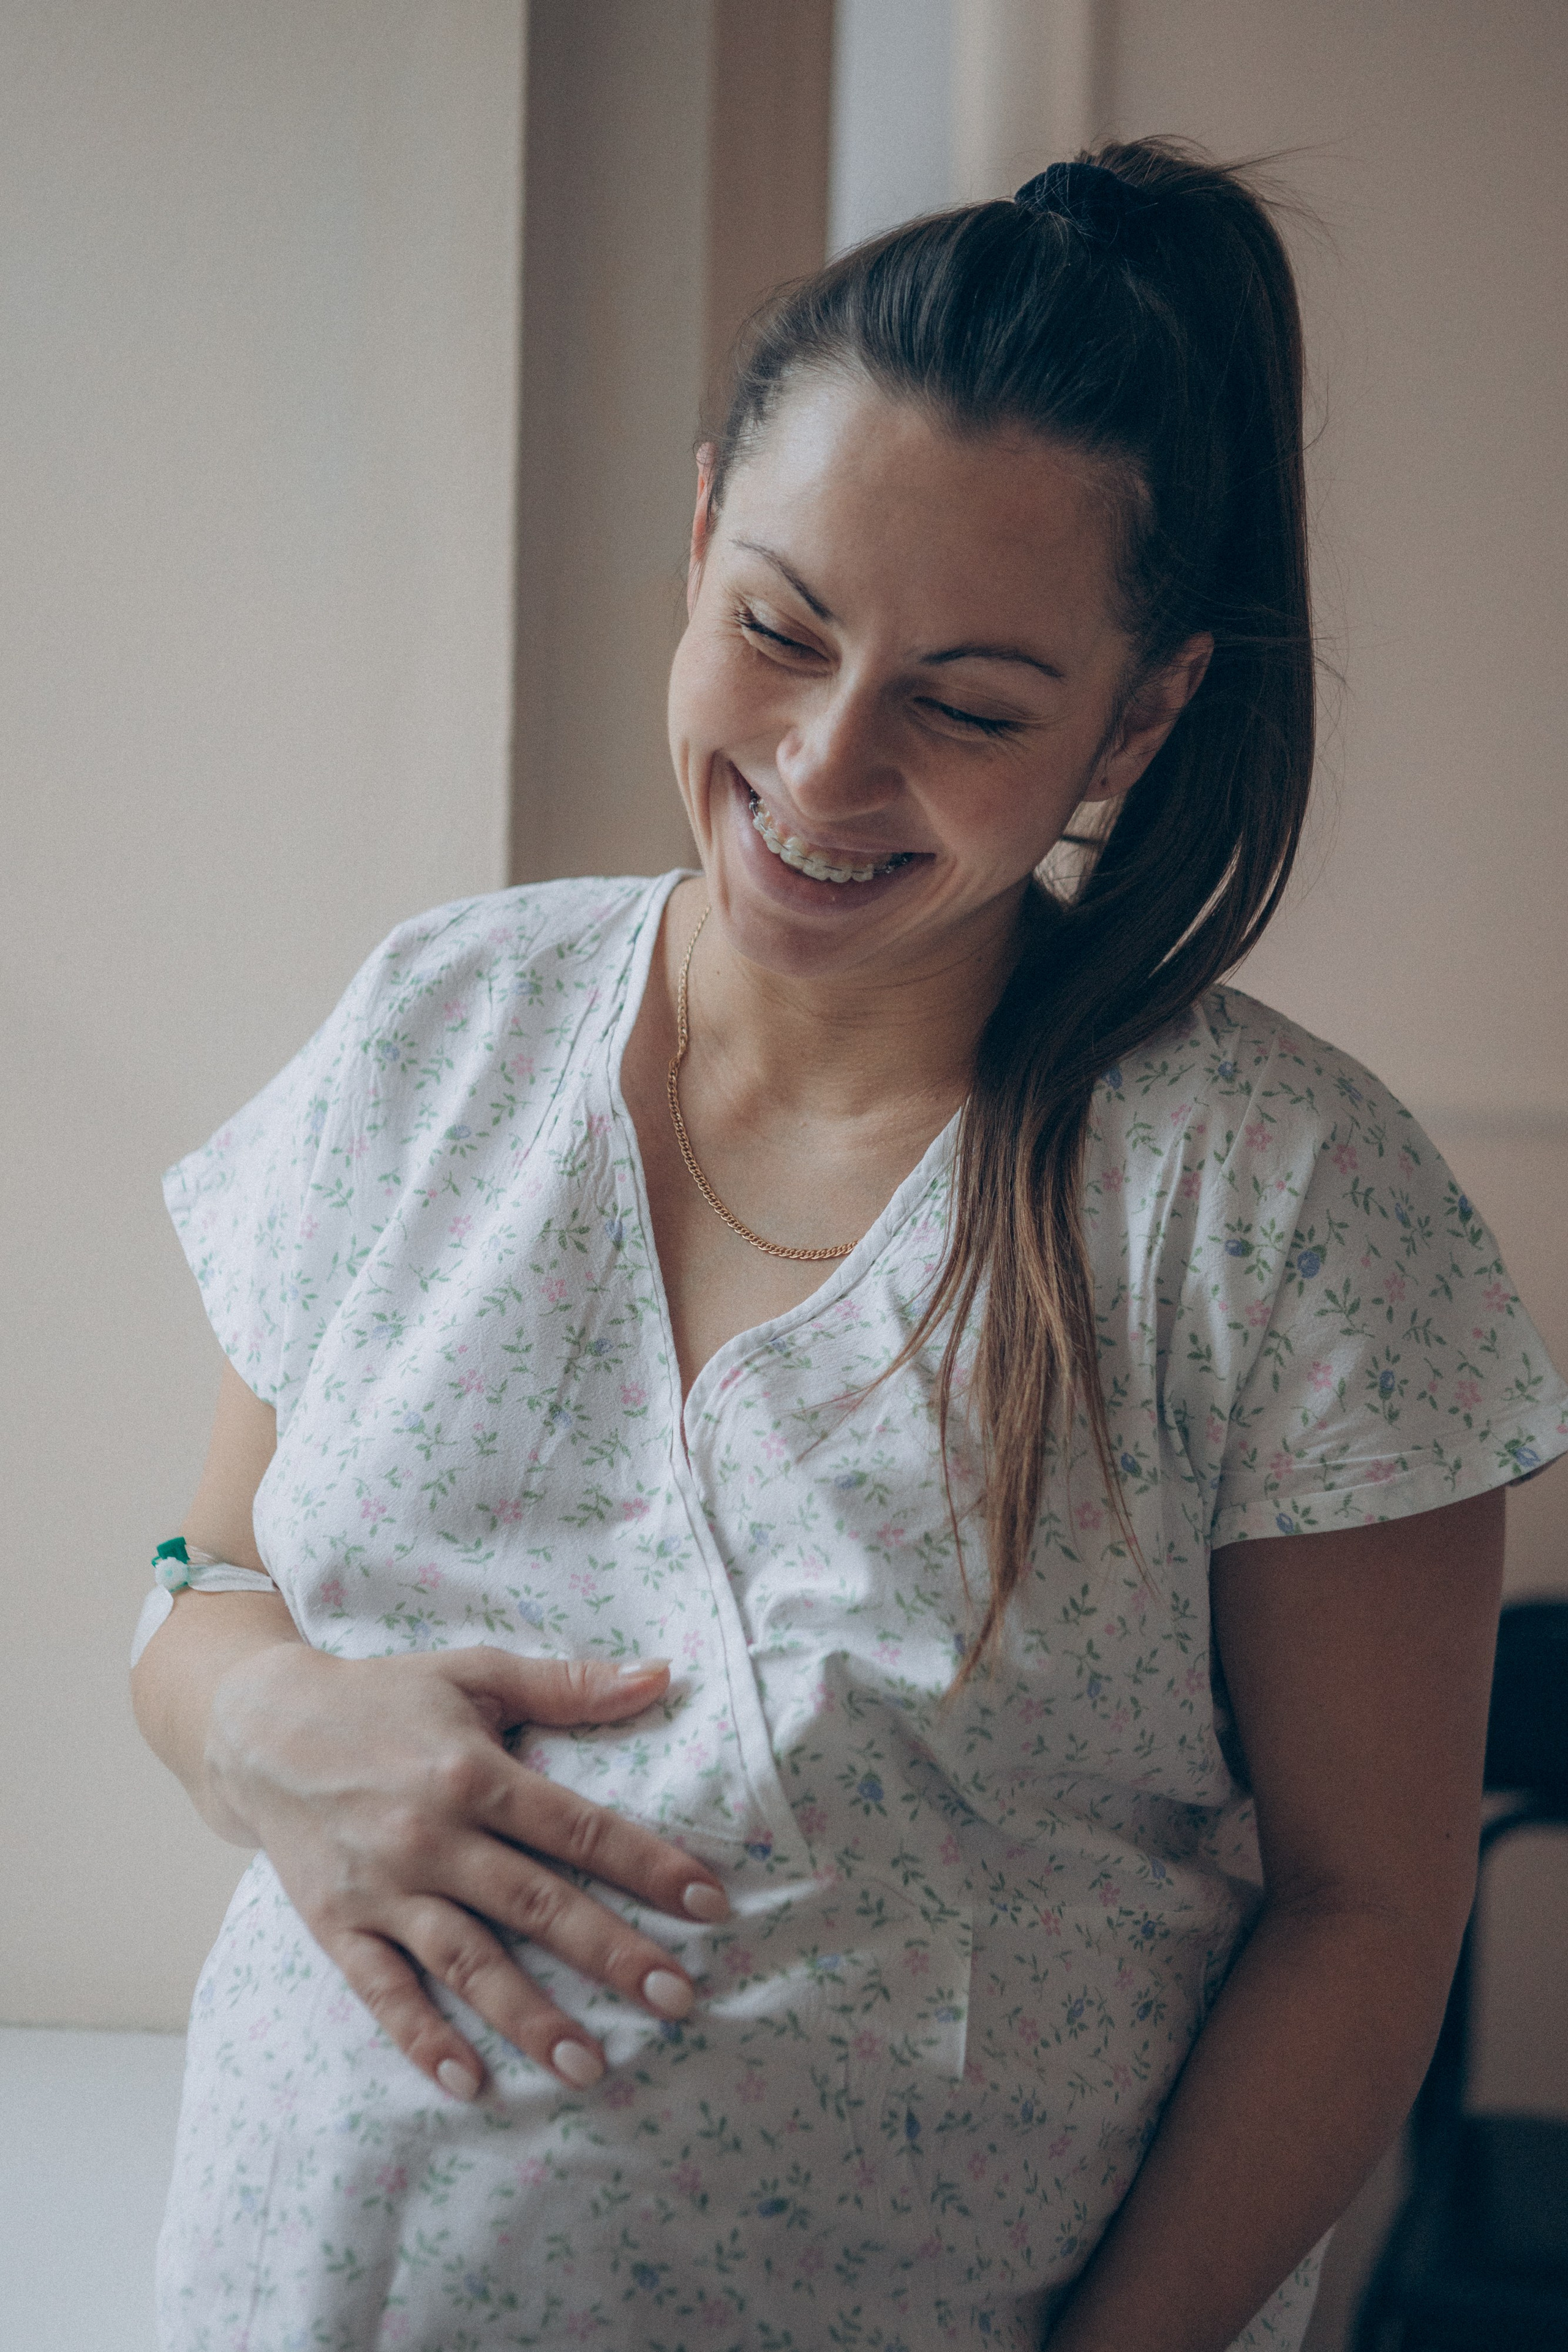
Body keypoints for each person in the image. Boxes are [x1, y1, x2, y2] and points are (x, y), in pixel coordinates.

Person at [133, 143, 1567, 2352]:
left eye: (970, 705)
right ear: (703, 531)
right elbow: (201, 1587)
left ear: (1143, 711)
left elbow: (1370, 1913)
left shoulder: (1280, 1211)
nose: (821, 767)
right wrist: (250, 1728)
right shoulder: (438, 1028)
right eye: (778, 629)